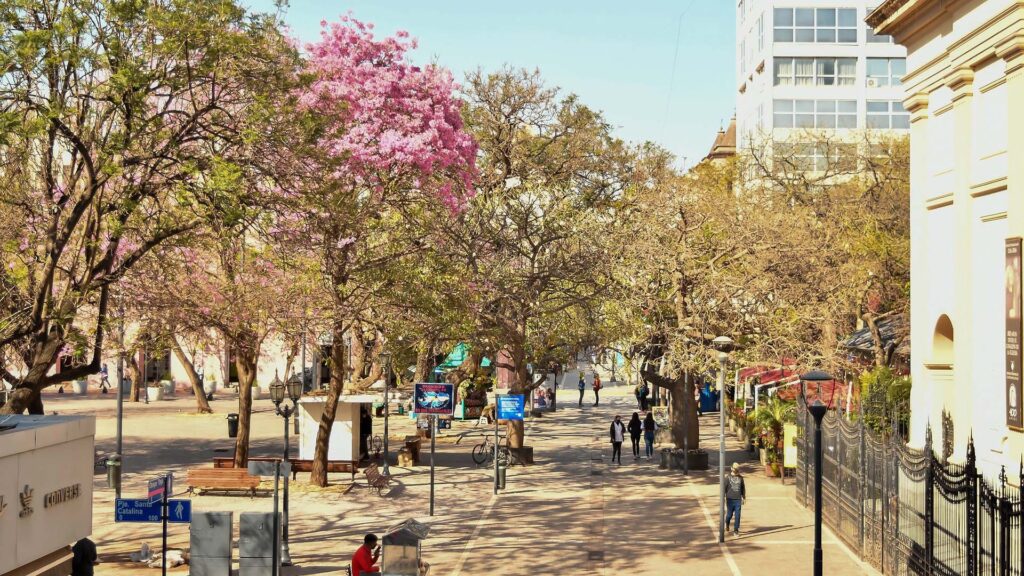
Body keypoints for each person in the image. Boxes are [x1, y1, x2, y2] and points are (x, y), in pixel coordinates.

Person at [723, 462, 747, 536]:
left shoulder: (741, 478)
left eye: (737, 469)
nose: (736, 470)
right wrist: (723, 497)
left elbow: (743, 488)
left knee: (737, 516)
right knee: (729, 515)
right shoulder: (727, 478)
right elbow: (724, 488)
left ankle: (736, 530)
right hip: (730, 499)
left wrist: (744, 497)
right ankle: (727, 523)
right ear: (731, 468)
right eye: (735, 469)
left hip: (738, 500)